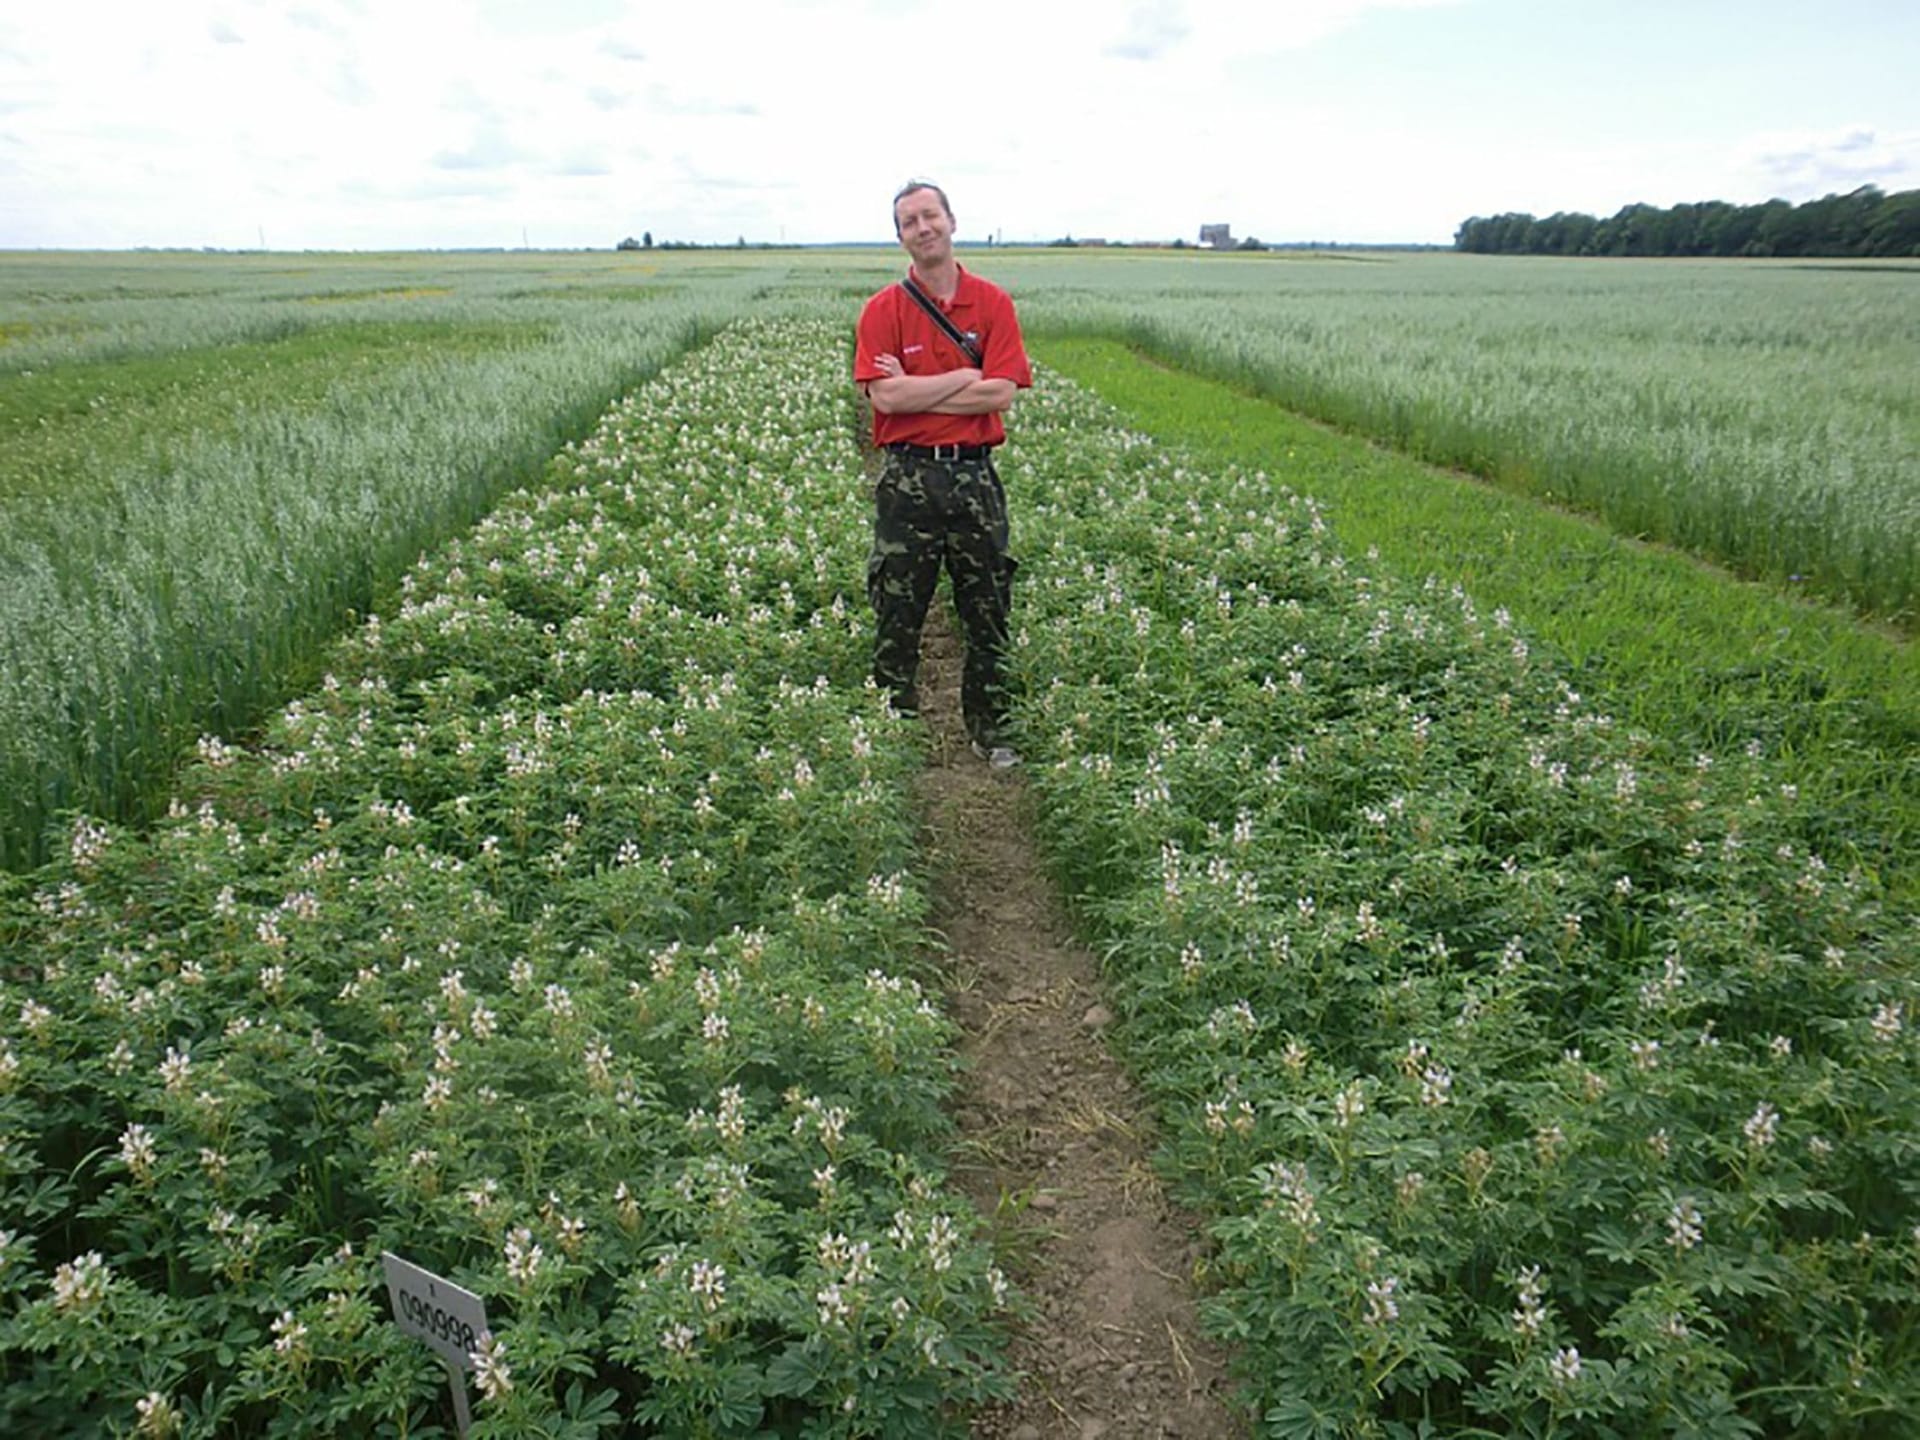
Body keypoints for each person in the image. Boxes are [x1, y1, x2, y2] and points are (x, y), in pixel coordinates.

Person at [853, 179, 1033, 768]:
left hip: (975, 479)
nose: (922, 227)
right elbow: (886, 400)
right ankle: (893, 739)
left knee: (988, 607)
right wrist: (963, 378)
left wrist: (921, 393)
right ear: (900, 236)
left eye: (930, 215)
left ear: (952, 221)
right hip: (907, 480)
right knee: (898, 609)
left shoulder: (993, 303)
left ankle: (992, 731)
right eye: (909, 221)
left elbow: (1002, 391)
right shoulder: (882, 310)